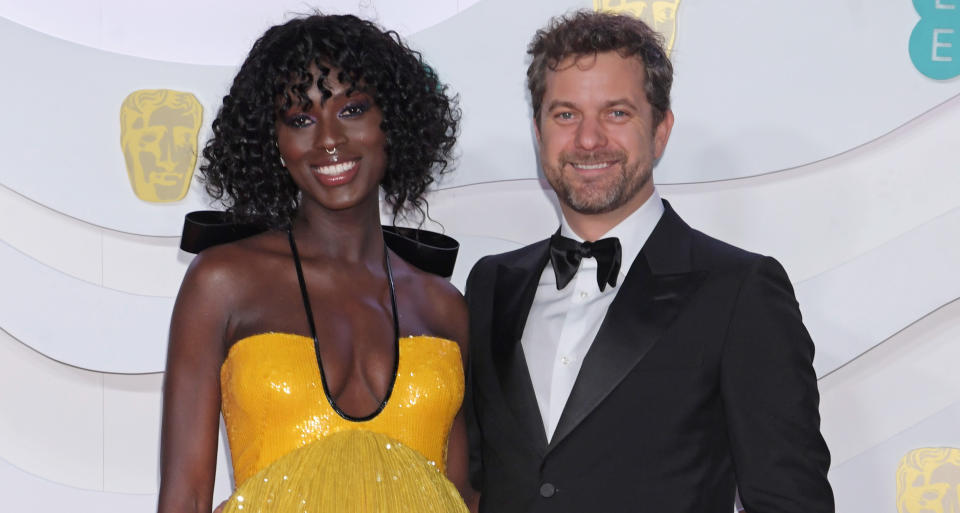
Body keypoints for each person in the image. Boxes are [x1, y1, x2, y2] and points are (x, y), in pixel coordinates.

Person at [464, 10, 834, 513]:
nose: (588, 140)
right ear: (538, 131)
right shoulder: (491, 285)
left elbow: (790, 501)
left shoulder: (739, 291)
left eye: (616, 113)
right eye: (566, 114)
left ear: (660, 130)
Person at [156, 14, 471, 513]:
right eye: (300, 119)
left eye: (353, 110)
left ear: (393, 121)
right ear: (272, 143)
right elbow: (185, 498)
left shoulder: (445, 306)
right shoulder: (222, 283)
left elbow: (461, 497)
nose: (328, 139)